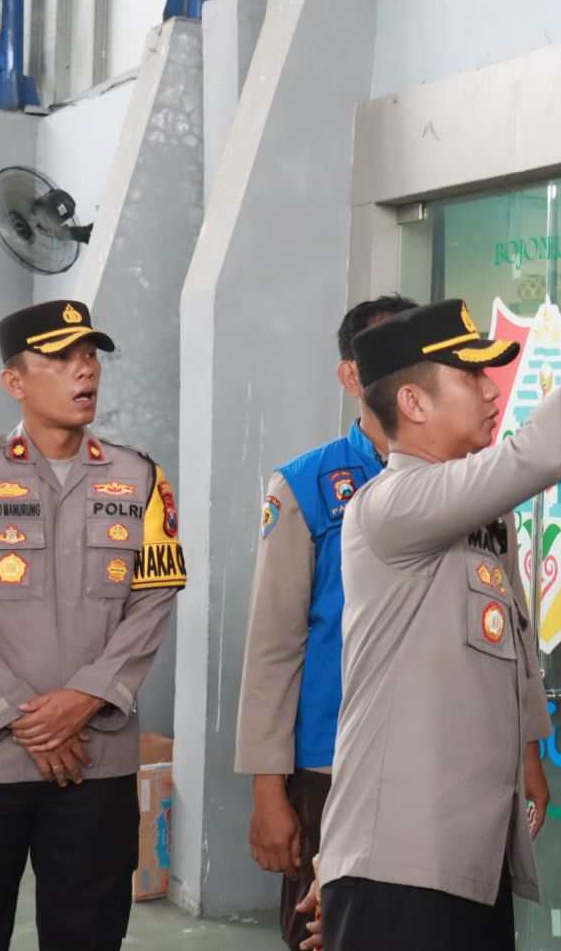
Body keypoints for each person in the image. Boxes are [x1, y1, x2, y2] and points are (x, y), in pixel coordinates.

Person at [316, 217, 561, 951]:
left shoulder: (475, 510)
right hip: (401, 860)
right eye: (471, 376)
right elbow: (535, 455)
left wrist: (529, 748)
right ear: (413, 404)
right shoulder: (392, 504)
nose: (490, 389)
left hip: (467, 854)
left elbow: (507, 641)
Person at [0, 300, 187, 951]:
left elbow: (154, 597)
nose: (84, 370)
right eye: (61, 359)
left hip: (96, 762)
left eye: (89, 356)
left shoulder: (140, 478)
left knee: (88, 936)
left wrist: (84, 699)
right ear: (15, 381)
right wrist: (25, 719)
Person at [235, 294, 419, 950]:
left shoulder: (464, 480)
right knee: (327, 931)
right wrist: (268, 788)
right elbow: (274, 645)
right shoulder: (306, 484)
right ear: (350, 375)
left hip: (431, 760)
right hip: (329, 763)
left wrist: (527, 748)